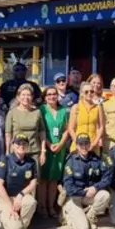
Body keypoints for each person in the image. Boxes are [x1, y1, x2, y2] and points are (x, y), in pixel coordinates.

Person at [60, 133, 112, 229]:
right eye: (81, 144)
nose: (84, 147)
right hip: (74, 197)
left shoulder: (96, 160)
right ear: (77, 146)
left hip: (89, 194)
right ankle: (67, 215)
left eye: (86, 144)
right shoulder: (71, 161)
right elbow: (69, 187)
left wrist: (95, 188)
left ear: (90, 144)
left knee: (105, 195)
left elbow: (107, 177)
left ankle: (90, 216)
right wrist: (84, 192)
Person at [0, 135, 39, 229]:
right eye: (18, 143)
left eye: (24, 144)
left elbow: (33, 183)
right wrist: (10, 204)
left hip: (20, 196)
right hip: (4, 198)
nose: (21, 146)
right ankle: (7, 224)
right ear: (12, 146)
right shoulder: (5, 159)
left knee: (31, 202)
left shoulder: (31, 162)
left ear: (27, 146)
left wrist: (21, 195)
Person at [39, 86, 70, 218]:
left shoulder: (63, 110)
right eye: (49, 95)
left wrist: (61, 144)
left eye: (54, 94)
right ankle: (42, 207)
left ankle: (51, 206)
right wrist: (49, 144)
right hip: (46, 147)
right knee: (44, 179)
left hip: (59, 149)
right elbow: (40, 130)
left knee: (54, 180)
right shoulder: (41, 110)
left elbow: (66, 130)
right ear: (45, 97)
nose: (52, 97)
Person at [4, 85, 47, 172]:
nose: (26, 97)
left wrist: (43, 151)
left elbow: (42, 132)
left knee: (34, 180)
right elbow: (8, 134)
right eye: (23, 95)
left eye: (28, 95)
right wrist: (7, 151)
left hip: (34, 152)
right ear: (18, 97)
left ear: (32, 97)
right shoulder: (12, 113)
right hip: (17, 152)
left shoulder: (37, 112)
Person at [68, 82, 105, 154]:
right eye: (86, 92)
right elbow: (71, 128)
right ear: (81, 93)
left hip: (93, 145)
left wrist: (95, 143)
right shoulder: (76, 107)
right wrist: (78, 143)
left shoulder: (98, 107)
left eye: (92, 91)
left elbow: (101, 127)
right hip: (78, 145)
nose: (89, 93)